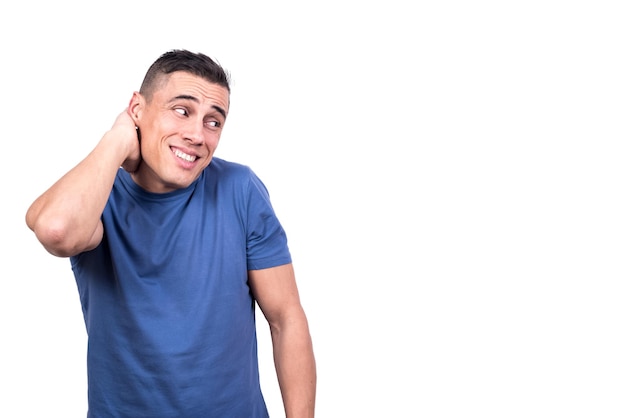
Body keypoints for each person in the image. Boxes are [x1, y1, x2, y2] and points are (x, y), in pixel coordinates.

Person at [25, 49, 316, 417]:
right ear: (137, 109)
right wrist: (117, 140)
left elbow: (285, 318)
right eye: (182, 110)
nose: (197, 134)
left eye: (214, 121)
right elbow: (56, 229)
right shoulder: (98, 196)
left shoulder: (239, 189)